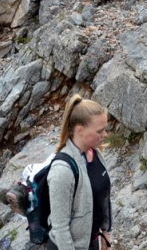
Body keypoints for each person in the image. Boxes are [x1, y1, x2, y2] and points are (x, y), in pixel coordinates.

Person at [47, 94, 112, 250]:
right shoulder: (62, 171)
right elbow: (60, 228)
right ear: (80, 130)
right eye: (100, 131)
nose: (105, 135)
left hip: (91, 241)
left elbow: (103, 196)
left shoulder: (95, 154)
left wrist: (106, 233)